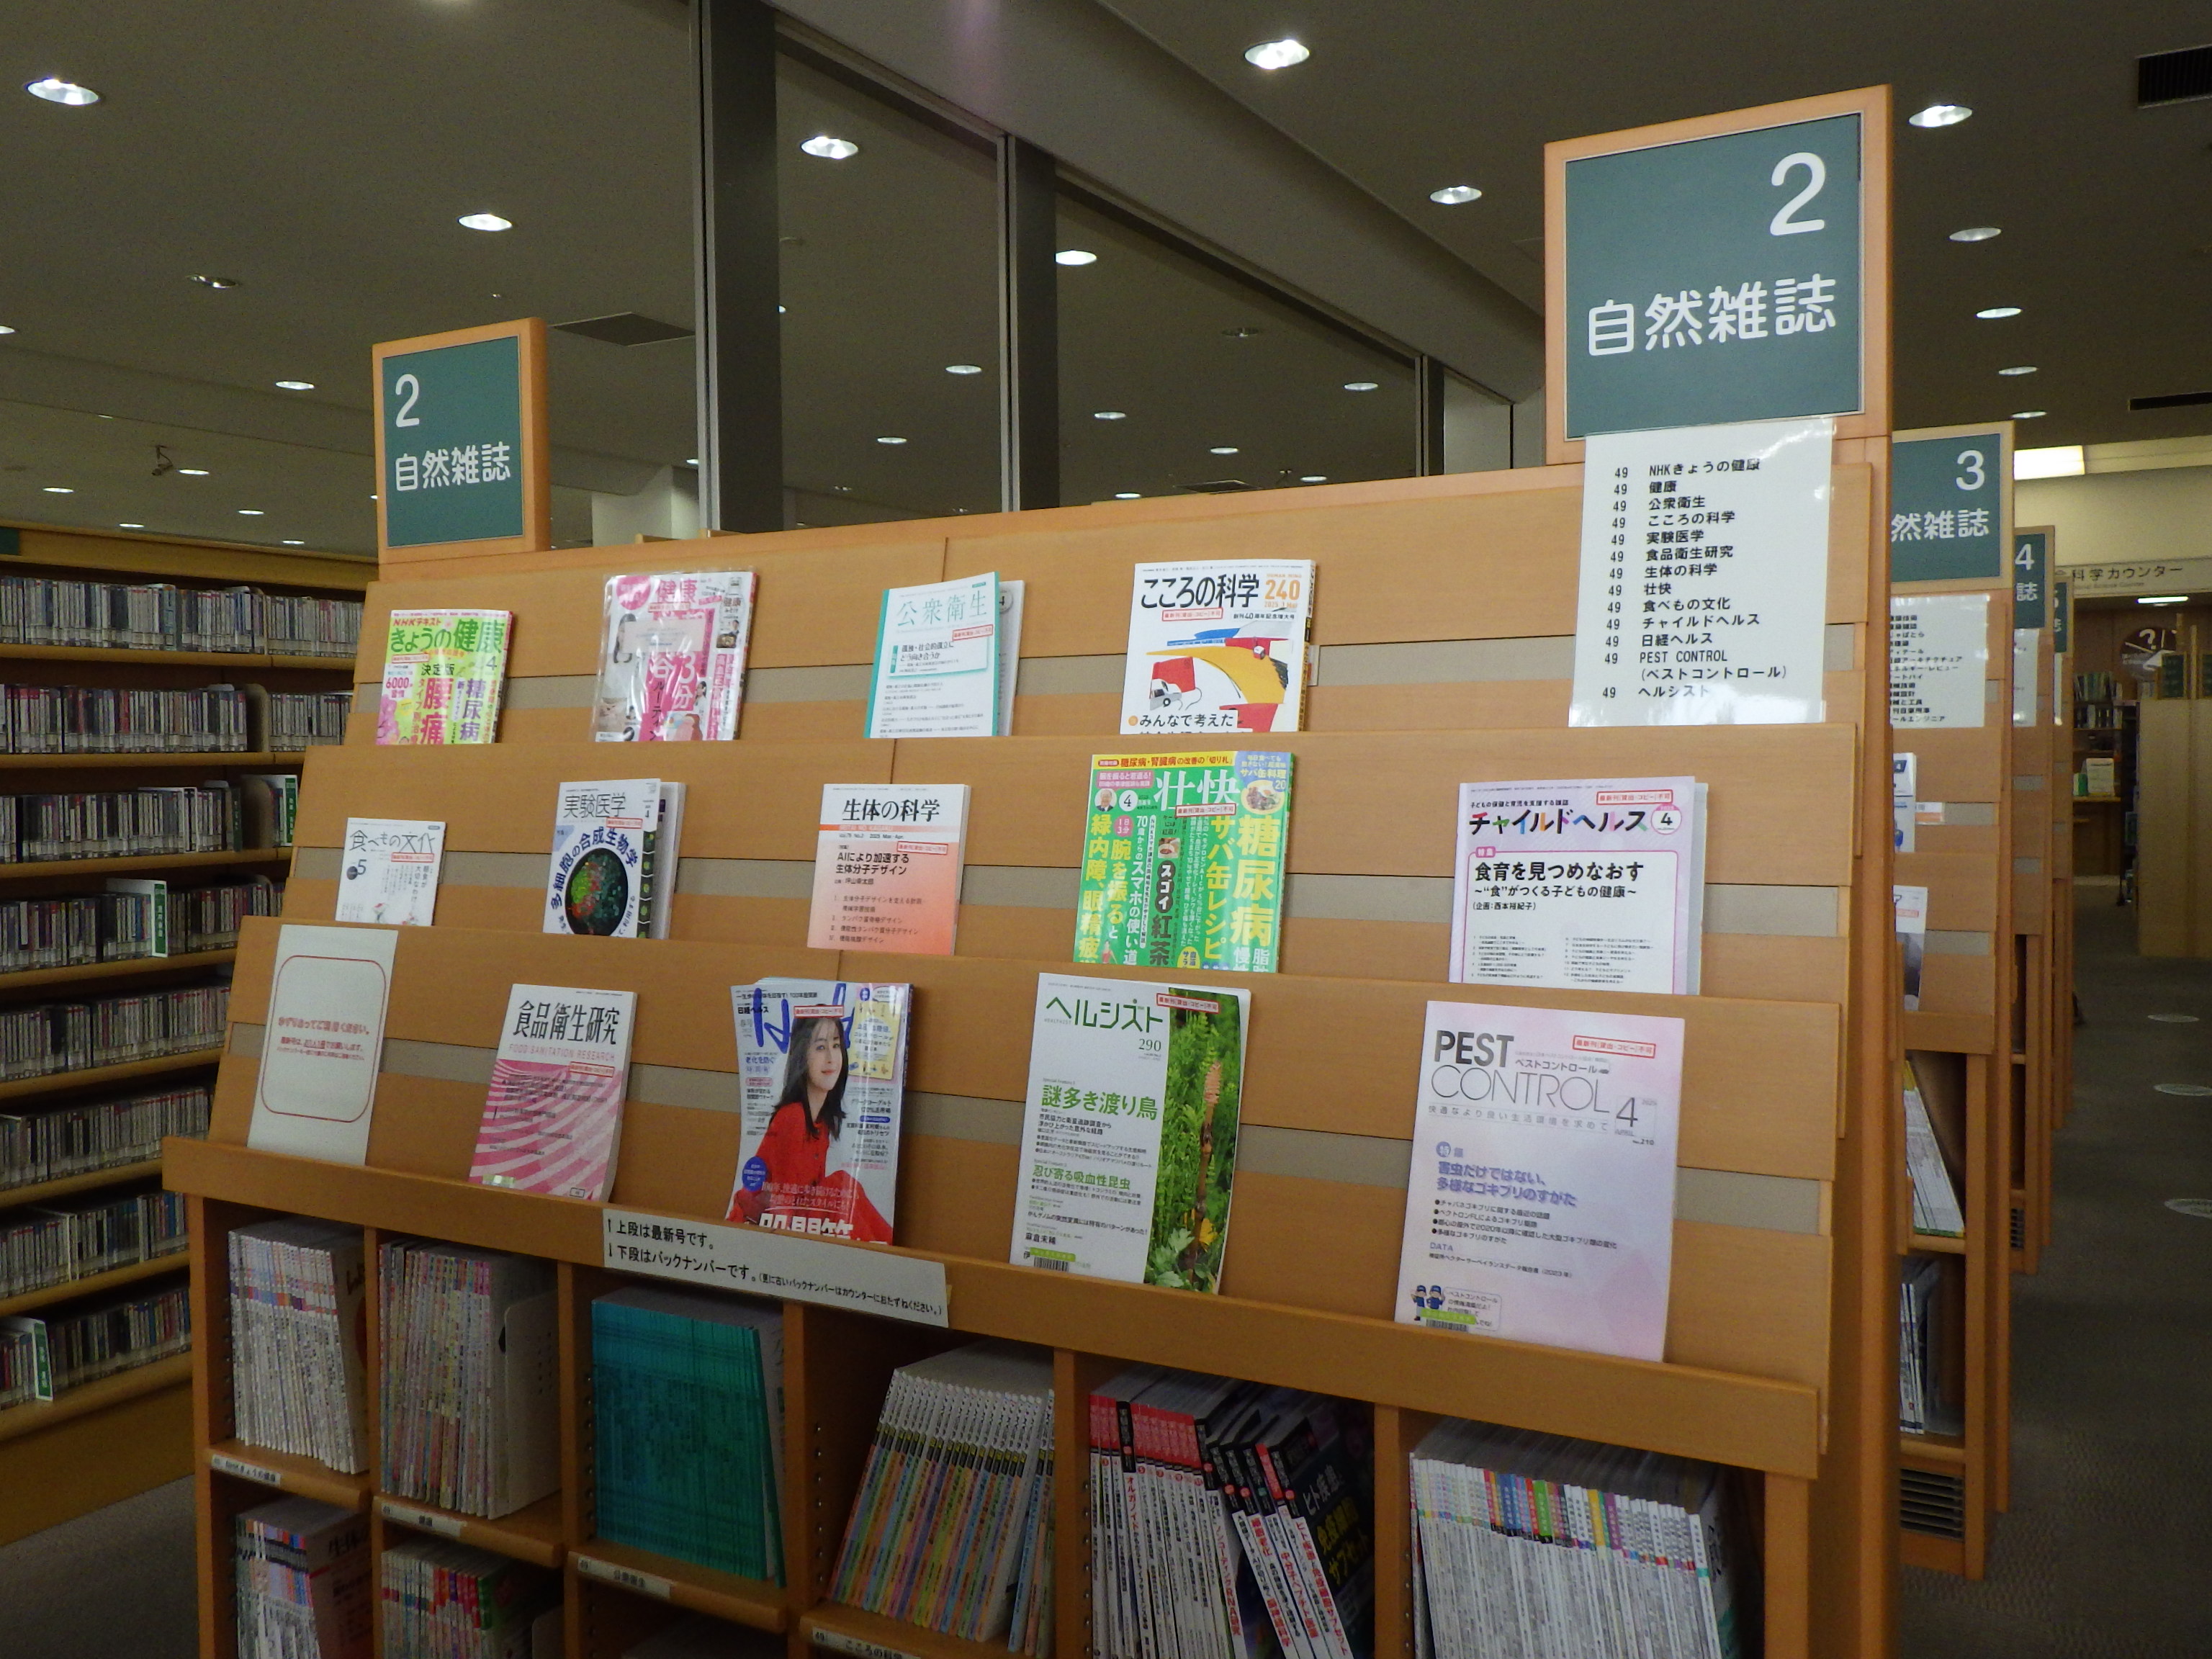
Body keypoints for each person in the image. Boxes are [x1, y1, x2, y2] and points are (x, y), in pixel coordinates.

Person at [727, 1013, 892, 1241]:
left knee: (842, 1186)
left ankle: (880, 1250)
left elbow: (811, 1194)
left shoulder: (821, 1123)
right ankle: (876, 1253)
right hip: (762, 1224)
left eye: (836, 1045)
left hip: (796, 1217)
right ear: (802, 1056)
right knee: (839, 1189)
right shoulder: (793, 1117)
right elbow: (781, 1204)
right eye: (821, 1047)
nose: (831, 1058)